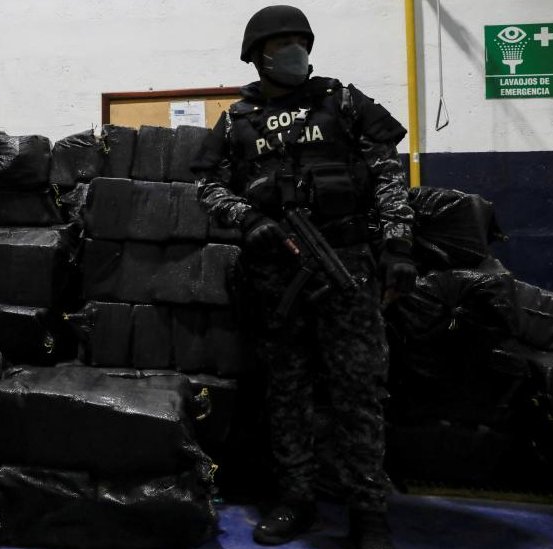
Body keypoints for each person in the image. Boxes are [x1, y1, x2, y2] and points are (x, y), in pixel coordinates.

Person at [192, 6, 416, 549]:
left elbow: (387, 171)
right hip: (276, 276)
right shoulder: (236, 119)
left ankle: (369, 509)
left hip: (346, 267)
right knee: (285, 391)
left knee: (358, 390)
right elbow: (206, 185)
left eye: (299, 40)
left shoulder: (341, 100)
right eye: (280, 43)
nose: (293, 50)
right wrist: (249, 219)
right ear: (257, 56)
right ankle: (296, 498)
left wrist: (399, 244)